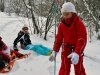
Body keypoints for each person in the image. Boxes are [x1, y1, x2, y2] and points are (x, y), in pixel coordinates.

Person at [49, 2, 87, 75]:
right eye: (63, 14)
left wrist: (77, 53)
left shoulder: (79, 24)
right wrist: (55, 50)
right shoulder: (62, 25)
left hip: (77, 49)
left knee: (79, 69)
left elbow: (82, 39)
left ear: (72, 13)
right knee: (64, 68)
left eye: (67, 14)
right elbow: (59, 39)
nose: (65, 16)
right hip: (66, 48)